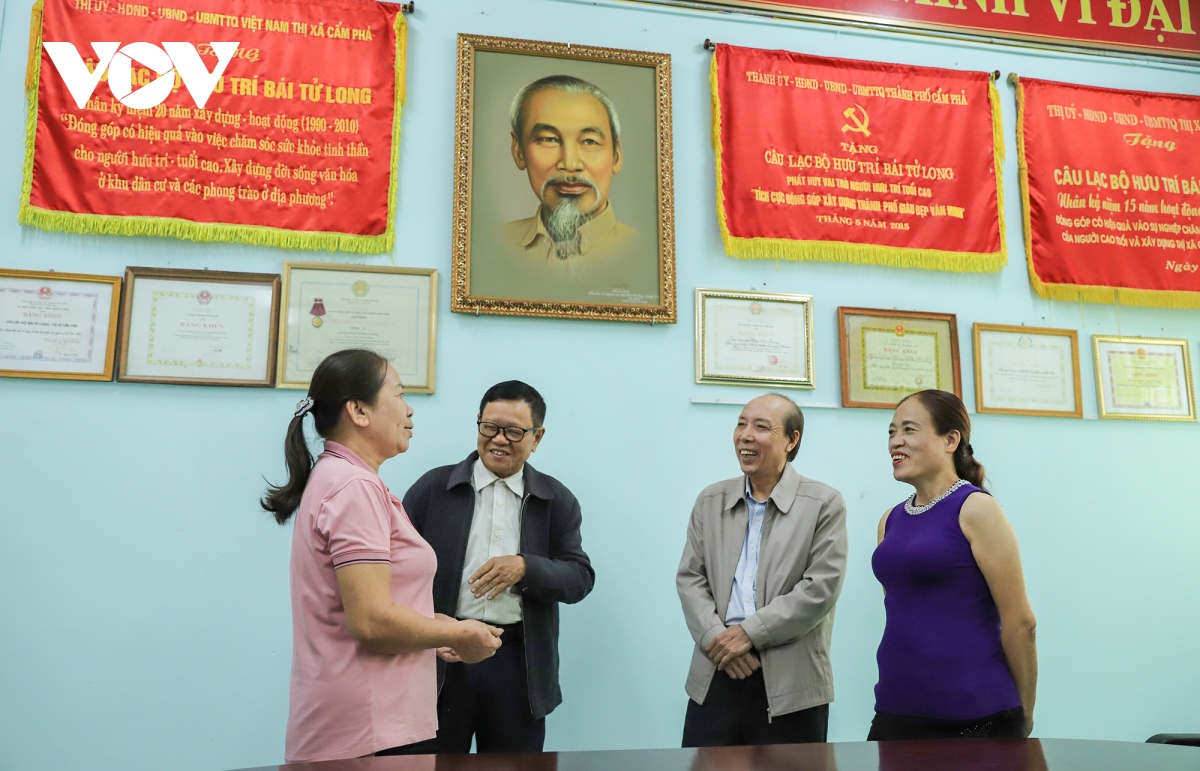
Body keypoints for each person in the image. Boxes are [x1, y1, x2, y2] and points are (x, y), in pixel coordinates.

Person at [261, 349, 503, 763]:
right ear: (358, 410)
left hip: (370, 723)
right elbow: (371, 622)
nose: (410, 410)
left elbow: (366, 606)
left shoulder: (341, 477)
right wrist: (456, 635)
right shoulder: (354, 487)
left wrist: (436, 624)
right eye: (399, 394)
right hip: (370, 729)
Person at [403, 380, 594, 753]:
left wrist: (526, 568)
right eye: (489, 427)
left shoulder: (556, 500)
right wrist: (428, 631)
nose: (499, 440)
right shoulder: (433, 489)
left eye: (513, 432)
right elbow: (396, 574)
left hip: (517, 663)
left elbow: (579, 578)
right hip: (441, 655)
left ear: (537, 437)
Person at [677, 393, 848, 747]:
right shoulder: (710, 500)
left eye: (760, 426)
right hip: (717, 668)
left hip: (792, 681)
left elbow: (820, 589)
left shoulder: (823, 503)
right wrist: (717, 639)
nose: (745, 435)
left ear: (791, 440)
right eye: (741, 424)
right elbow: (690, 579)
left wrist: (749, 634)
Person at [870, 389, 1038, 741]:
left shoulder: (976, 508)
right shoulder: (889, 520)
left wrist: (1024, 713)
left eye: (909, 430)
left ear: (950, 440)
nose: (895, 442)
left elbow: (1020, 622)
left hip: (974, 713)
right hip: (896, 709)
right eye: (891, 432)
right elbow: (902, 612)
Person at [503, 75, 636, 265]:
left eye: (589, 141)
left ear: (616, 155)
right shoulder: (492, 248)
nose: (570, 164)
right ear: (518, 151)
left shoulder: (646, 254)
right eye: (549, 139)